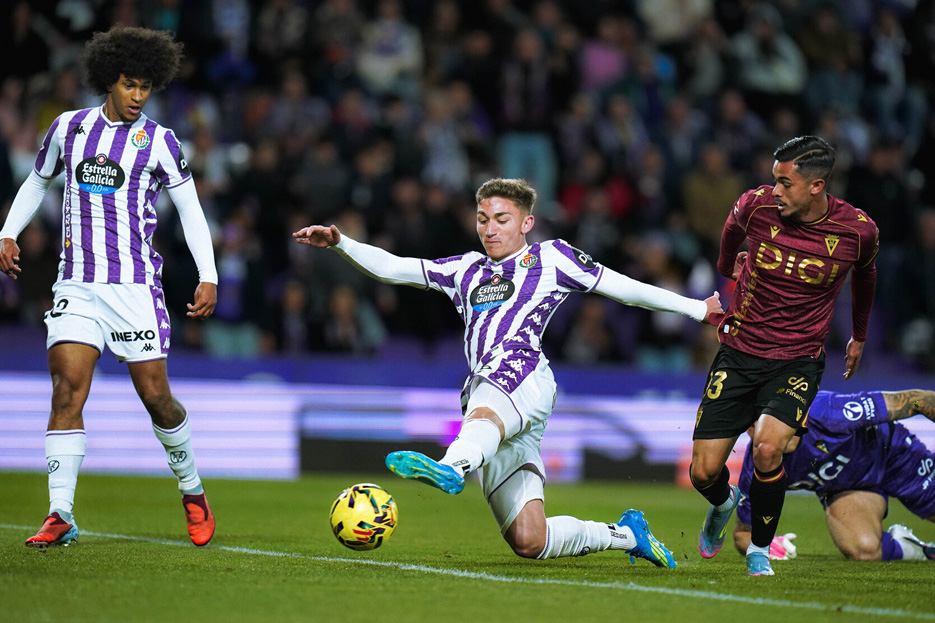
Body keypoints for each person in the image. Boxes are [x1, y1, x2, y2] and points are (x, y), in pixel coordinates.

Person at [295, 177, 723, 567]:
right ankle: (627, 533)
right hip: (493, 404)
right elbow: (396, 267)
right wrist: (341, 243)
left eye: (502, 219)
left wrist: (696, 308)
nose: (490, 229)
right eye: (483, 219)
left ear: (526, 223)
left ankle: (453, 465)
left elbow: (623, 287)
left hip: (524, 374)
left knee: (487, 393)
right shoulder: (465, 269)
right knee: (529, 540)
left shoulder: (552, 258)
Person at [0, 27, 219, 548]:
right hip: (77, 283)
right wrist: (7, 231)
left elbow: (190, 209)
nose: (137, 97)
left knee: (157, 398)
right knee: (66, 388)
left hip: (135, 289)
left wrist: (207, 273)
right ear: (108, 82)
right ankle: (60, 512)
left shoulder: (161, 142)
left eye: (145, 87)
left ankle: (191, 488)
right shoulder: (68, 129)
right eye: (129, 85)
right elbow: (37, 180)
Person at [689, 135, 879, 576]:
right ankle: (723, 503)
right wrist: (726, 268)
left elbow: (865, 276)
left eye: (784, 183)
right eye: (774, 180)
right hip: (740, 351)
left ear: (816, 186)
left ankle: (759, 548)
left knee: (769, 448)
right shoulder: (755, 206)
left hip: (797, 359)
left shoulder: (857, 230)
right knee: (703, 473)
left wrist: (859, 335)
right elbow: (730, 234)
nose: (774, 191)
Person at [733, 389, 935, 562]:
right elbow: (742, 534)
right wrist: (768, 545)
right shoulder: (759, 465)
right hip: (848, 487)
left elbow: (916, 399)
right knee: (864, 550)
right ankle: (920, 551)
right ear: (750, 432)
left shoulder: (826, 411)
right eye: (756, 426)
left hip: (893, 456)